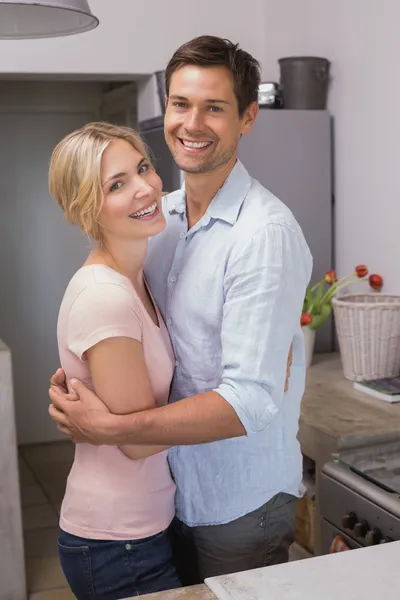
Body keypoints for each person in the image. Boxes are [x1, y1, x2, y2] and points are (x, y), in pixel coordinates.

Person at [49, 35, 313, 584]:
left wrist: (113, 428)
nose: (192, 123)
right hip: (170, 498)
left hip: (238, 504)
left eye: (214, 107)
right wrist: (88, 379)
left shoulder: (263, 235)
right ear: (165, 108)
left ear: (247, 118)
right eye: (180, 104)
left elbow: (252, 400)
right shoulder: (160, 220)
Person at [48, 122, 182, 599]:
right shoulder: (106, 295)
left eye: (142, 167)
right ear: (87, 207)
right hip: (117, 543)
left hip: (139, 529)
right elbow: (138, 441)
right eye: (117, 184)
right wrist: (233, 398)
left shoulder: (135, 277)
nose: (145, 187)